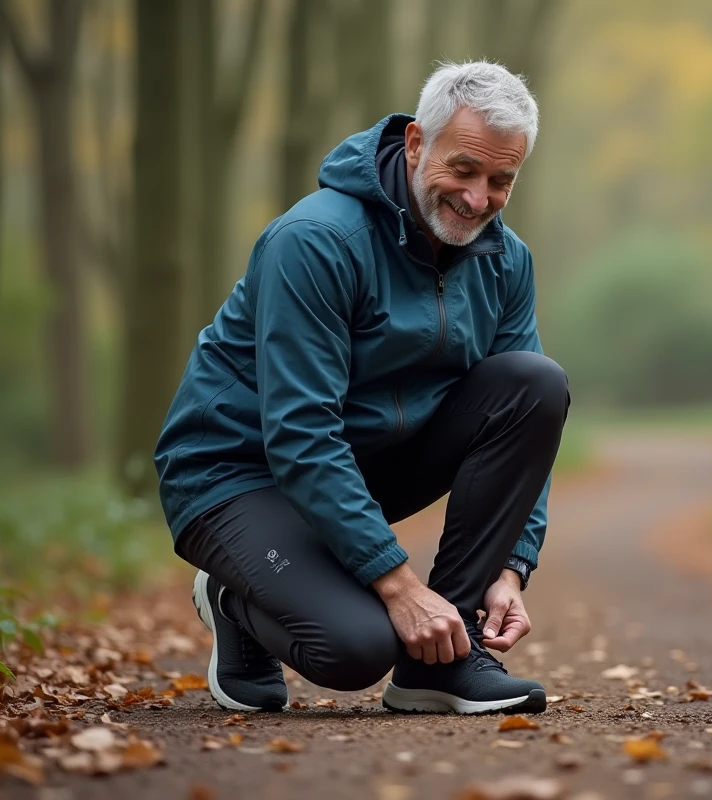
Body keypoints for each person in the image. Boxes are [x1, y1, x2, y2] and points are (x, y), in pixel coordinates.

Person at [152, 61, 569, 717]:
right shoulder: (315, 241)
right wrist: (399, 587)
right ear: (415, 144)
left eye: (500, 181)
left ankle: (443, 665)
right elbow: (300, 433)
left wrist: (509, 569)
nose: (477, 199)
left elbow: (525, 424)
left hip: (362, 463)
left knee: (535, 383)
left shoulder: (505, 259)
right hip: (236, 474)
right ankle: (232, 598)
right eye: (463, 169)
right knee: (355, 648)